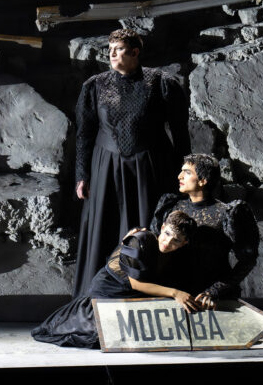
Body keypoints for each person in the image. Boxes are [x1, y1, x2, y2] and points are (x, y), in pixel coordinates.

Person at [73, 28, 191, 296]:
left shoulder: (161, 82)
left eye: (119, 49)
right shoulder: (95, 85)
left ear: (135, 52)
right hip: (106, 167)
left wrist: (183, 174)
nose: (112, 54)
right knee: (105, 226)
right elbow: (84, 133)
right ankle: (99, 296)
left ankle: (148, 294)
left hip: (150, 166)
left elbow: (180, 134)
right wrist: (82, 175)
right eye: (110, 49)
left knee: (147, 225)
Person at [31, 211, 202, 348]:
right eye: (167, 234)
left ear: (184, 243)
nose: (168, 242)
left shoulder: (172, 255)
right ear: (162, 227)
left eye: (176, 240)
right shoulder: (141, 239)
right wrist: (175, 293)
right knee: (101, 336)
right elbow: (136, 282)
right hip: (108, 290)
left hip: (132, 296)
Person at [150, 153, 260, 303]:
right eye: (182, 171)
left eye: (187, 172)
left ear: (203, 180)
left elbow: (248, 260)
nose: (179, 176)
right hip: (173, 294)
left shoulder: (228, 213)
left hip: (209, 299)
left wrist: (214, 291)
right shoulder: (171, 205)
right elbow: (154, 243)